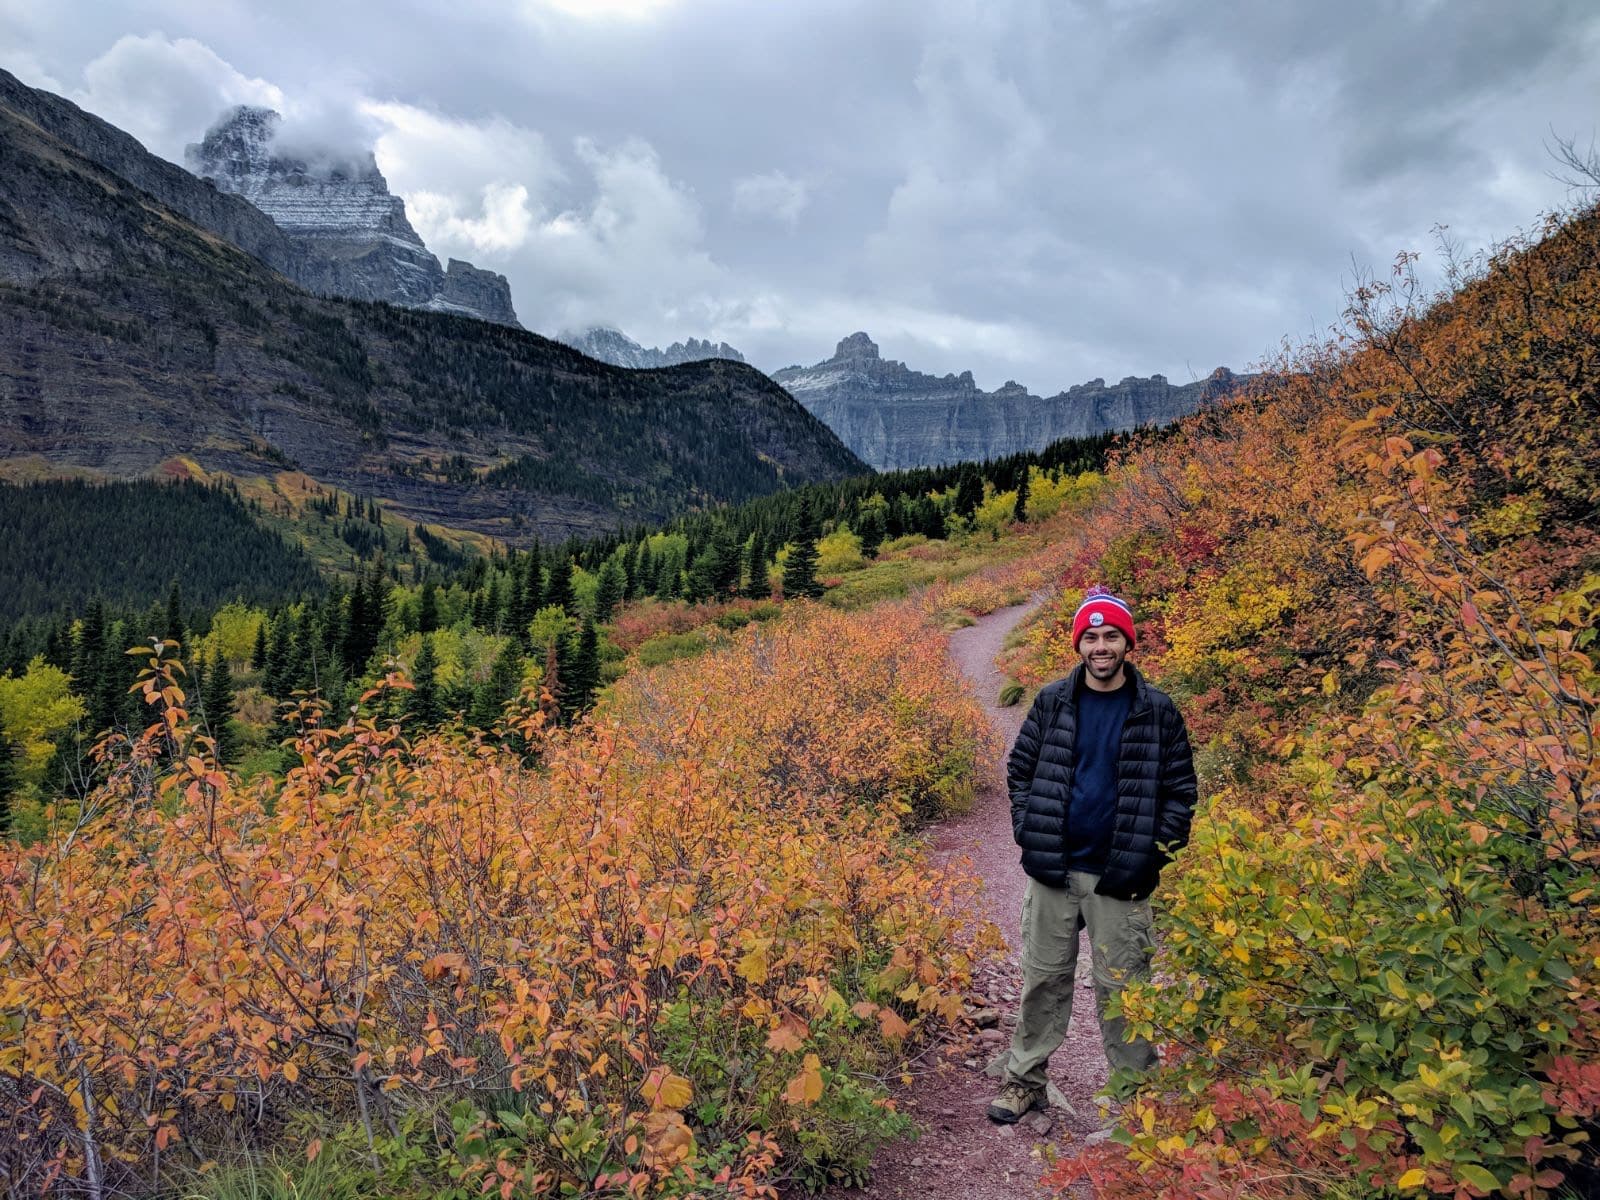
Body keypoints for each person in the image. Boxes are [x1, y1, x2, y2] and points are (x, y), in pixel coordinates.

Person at [986, 586, 1198, 1124]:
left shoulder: (1158, 711)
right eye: (1090, 637)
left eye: (1110, 637)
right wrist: (1027, 832)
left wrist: (1150, 858)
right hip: (1054, 870)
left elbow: (1180, 793)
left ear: (1127, 643)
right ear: (1078, 644)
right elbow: (1021, 771)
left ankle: (1134, 1101)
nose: (1100, 646)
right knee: (1042, 979)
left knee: (1124, 990)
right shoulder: (1053, 700)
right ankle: (1025, 1081)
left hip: (1120, 877)